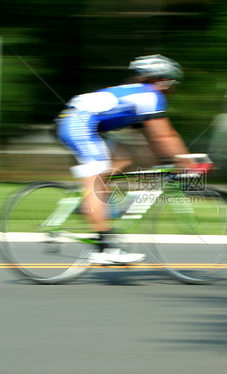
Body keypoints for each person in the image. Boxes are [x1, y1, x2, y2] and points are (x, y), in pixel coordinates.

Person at [56, 54, 191, 265]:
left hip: (79, 123)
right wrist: (187, 162)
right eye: (174, 84)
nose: (175, 89)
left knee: (123, 157)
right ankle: (104, 248)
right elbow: (165, 136)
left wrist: (165, 166)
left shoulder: (139, 97)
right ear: (163, 81)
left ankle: (94, 204)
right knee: (96, 180)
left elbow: (151, 142)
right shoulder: (151, 96)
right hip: (79, 125)